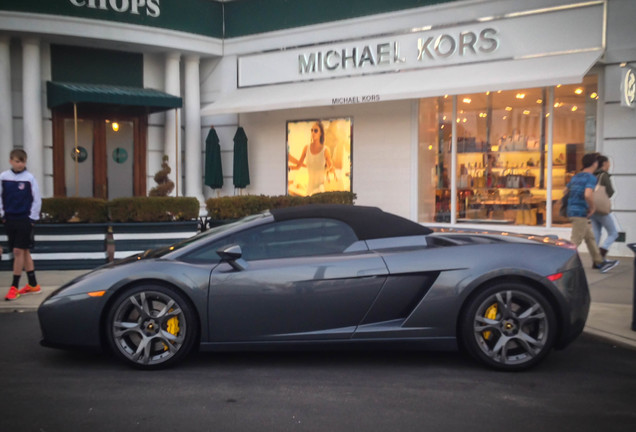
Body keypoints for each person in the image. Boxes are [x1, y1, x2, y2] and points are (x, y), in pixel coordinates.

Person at [564, 152, 618, 273]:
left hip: (573, 211)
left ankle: (600, 263)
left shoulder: (576, 176)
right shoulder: (590, 177)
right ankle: (560, 263)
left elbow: (565, 190)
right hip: (579, 212)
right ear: (594, 164)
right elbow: (588, 194)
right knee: (575, 241)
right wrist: (592, 207)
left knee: (590, 239)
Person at [0, 149, 42, 301]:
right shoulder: (4, 177)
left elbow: (37, 199)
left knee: (17, 251)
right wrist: (2, 214)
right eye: (17, 161)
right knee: (23, 251)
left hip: (24, 218)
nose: (20, 164)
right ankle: (33, 284)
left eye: (23, 161)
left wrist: (32, 218)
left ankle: (14, 286)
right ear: (11, 161)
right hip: (9, 218)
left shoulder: (29, 178)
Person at [591, 154, 620, 259]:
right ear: (604, 164)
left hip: (592, 208)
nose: (610, 165)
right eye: (608, 163)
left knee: (596, 233)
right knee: (613, 233)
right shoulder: (604, 175)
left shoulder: (592, 175)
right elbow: (610, 191)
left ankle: (595, 258)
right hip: (601, 209)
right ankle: (601, 254)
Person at [296, 121, 334, 196]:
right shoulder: (306, 148)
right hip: (309, 190)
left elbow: (331, 166)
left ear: (321, 133)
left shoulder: (325, 150)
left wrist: (329, 170)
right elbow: (298, 166)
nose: (313, 132)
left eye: (316, 130)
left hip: (320, 189)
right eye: (312, 130)